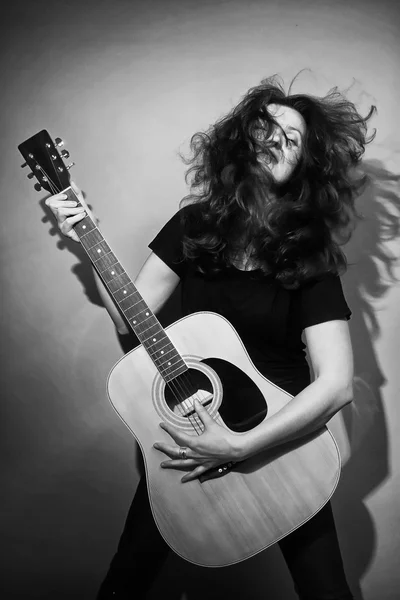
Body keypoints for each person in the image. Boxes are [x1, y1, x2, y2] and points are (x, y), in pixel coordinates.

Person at [46, 75, 376, 599]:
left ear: (305, 168)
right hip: (195, 434)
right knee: (125, 581)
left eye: (294, 141)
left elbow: (335, 384)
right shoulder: (194, 225)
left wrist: (241, 443)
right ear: (244, 140)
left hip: (282, 445)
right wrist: (85, 236)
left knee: (326, 592)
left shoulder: (309, 255)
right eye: (269, 129)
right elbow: (130, 319)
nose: (278, 142)